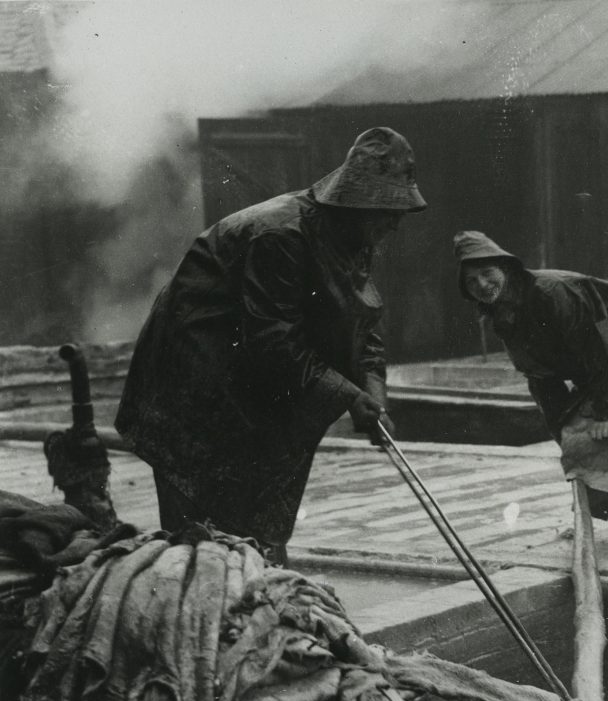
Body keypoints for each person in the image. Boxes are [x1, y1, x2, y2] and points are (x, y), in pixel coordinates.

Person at [115, 127, 427, 565]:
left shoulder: (355, 239)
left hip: (250, 379)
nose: (396, 222)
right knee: (205, 532)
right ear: (358, 204)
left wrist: (375, 396)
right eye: (389, 210)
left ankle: (262, 572)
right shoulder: (280, 236)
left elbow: (363, 326)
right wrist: (349, 397)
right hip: (192, 381)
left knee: (259, 518)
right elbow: (274, 341)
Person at [454, 231, 608, 544]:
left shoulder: (552, 291)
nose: (482, 285)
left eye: (487, 274)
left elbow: (599, 346)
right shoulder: (503, 315)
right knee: (580, 441)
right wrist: (564, 431)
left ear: (506, 269)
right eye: (472, 282)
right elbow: (541, 377)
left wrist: (604, 410)